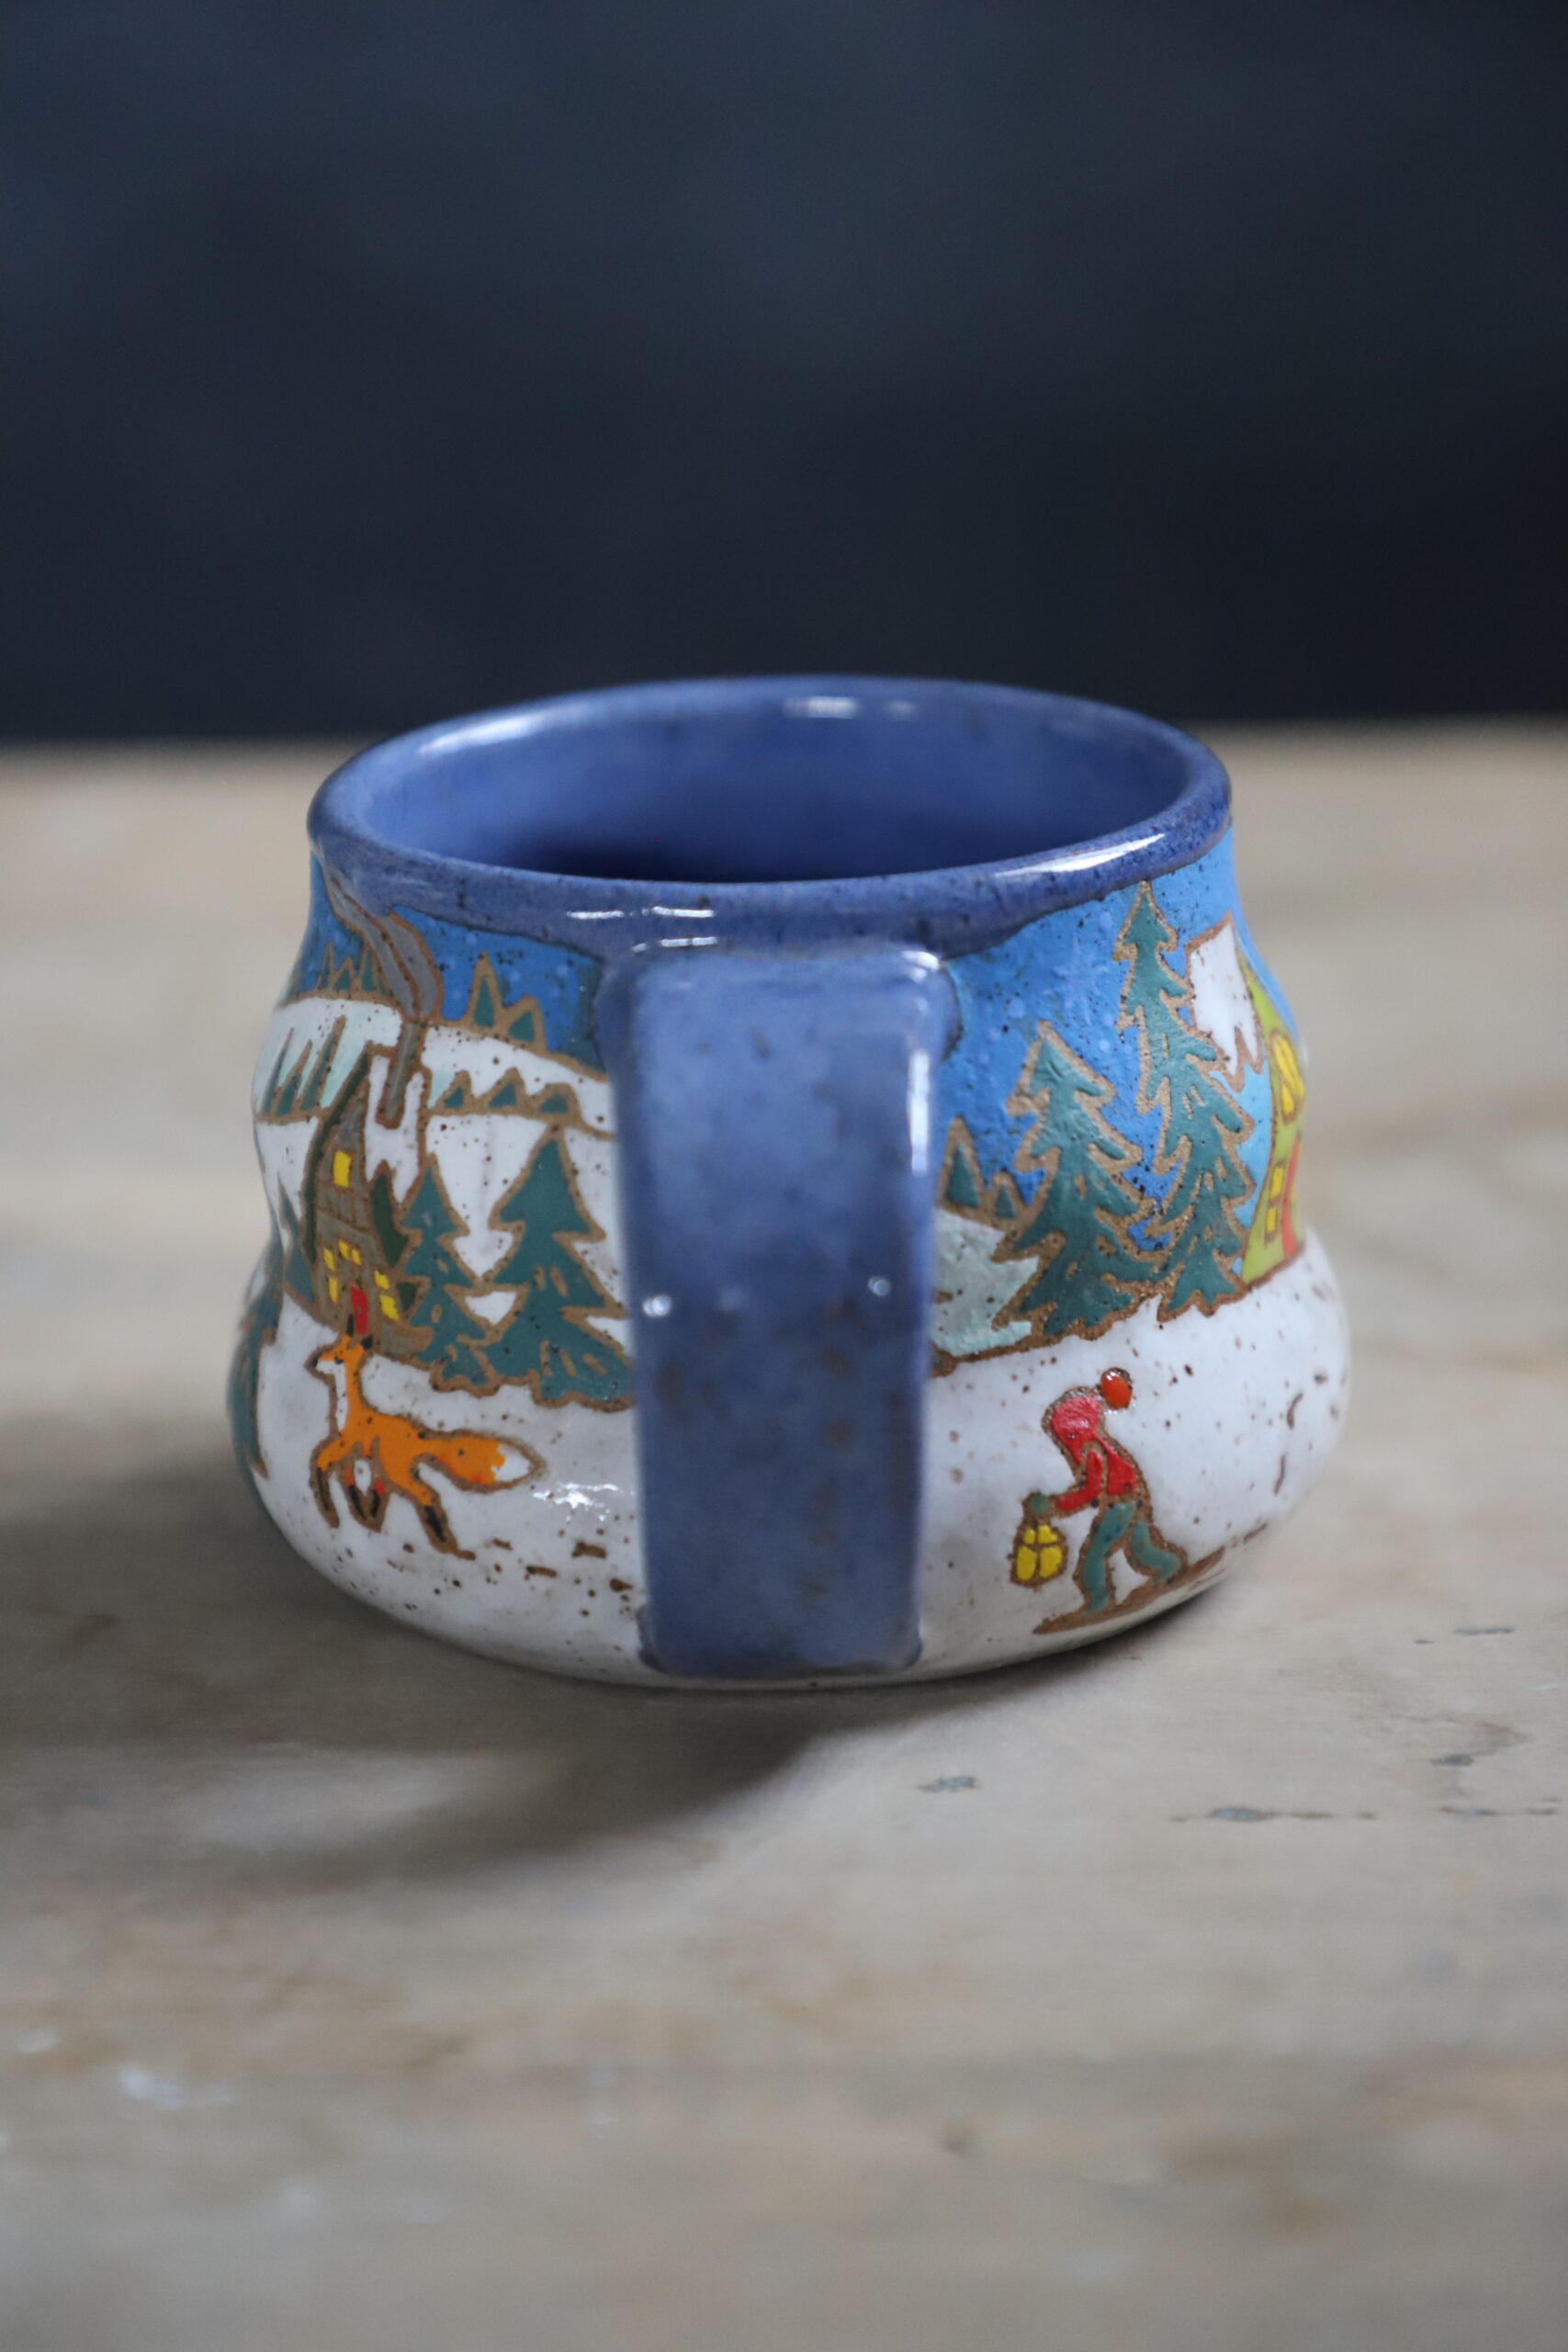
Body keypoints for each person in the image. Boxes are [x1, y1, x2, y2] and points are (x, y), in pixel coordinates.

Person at [1022, 1367, 1189, 1617]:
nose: (1063, 1441)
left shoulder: (1091, 1450)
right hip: (1134, 1498)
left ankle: (1098, 1602)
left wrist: (1054, 1506)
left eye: (1065, 1436)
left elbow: (1089, 1491)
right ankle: (1171, 1567)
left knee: (1094, 1557)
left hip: (1119, 1505)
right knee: (1141, 1550)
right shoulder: (1101, 1446)